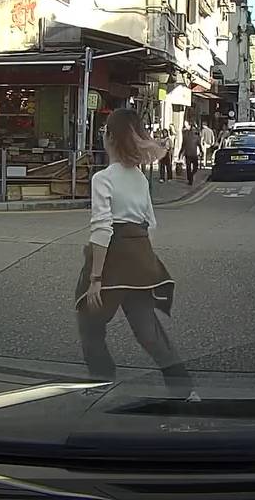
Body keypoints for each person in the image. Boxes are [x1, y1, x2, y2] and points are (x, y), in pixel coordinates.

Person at [75, 108, 195, 398]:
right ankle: (184, 390)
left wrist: (95, 278)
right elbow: (150, 223)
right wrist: (142, 258)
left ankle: (101, 382)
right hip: (141, 259)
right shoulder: (140, 177)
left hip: (112, 260)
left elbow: (102, 228)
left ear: (110, 137)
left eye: (104, 131)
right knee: (148, 331)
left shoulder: (103, 178)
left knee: (89, 323)